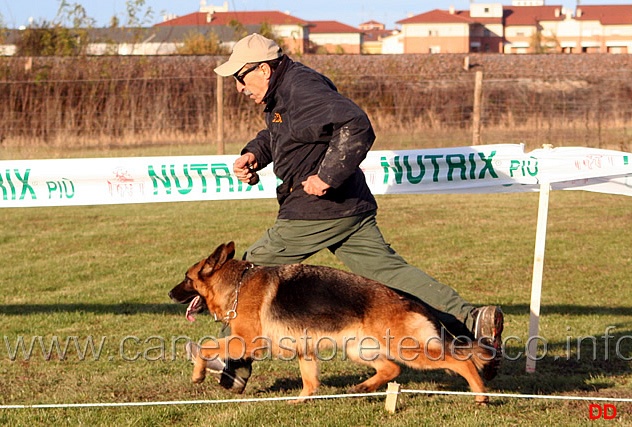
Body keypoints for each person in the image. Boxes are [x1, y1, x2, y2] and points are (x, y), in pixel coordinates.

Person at [189, 33, 504, 393]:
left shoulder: (302, 88)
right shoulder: (285, 91)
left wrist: (326, 176)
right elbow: (283, 133)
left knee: (247, 274)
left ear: (262, 69)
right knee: (392, 277)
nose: (239, 87)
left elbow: (357, 124)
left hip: (317, 207)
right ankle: (471, 323)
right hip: (348, 206)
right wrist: (254, 155)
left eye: (240, 78)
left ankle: (233, 363)